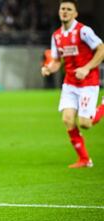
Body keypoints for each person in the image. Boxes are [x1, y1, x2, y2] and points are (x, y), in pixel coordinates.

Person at [41, 0, 104, 168]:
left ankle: (103, 106)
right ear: (59, 11)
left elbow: (101, 49)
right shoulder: (57, 36)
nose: (65, 11)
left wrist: (87, 67)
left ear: (75, 14)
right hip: (70, 83)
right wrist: (48, 68)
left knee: (85, 123)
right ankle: (84, 159)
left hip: (88, 82)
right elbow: (56, 61)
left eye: (69, 9)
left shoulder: (84, 31)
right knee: (68, 119)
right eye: (63, 9)